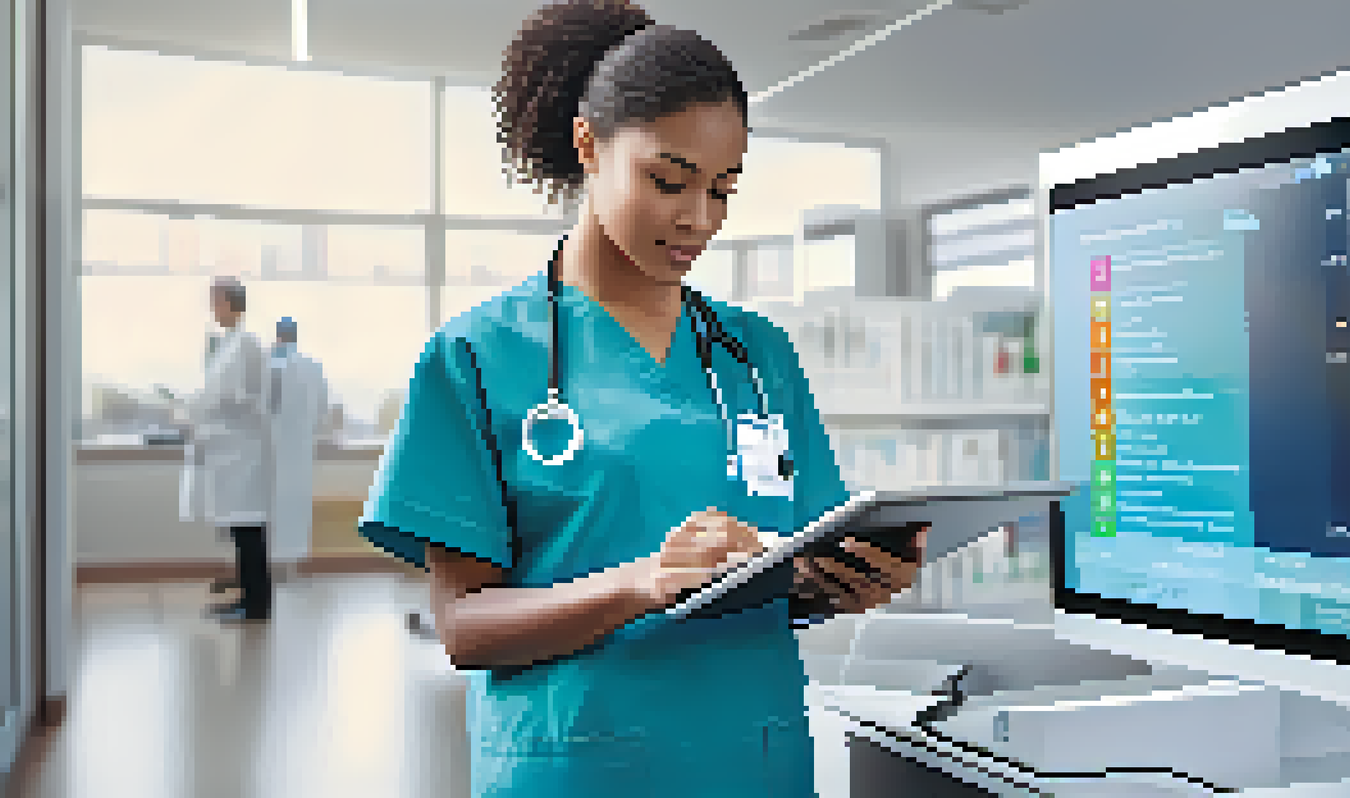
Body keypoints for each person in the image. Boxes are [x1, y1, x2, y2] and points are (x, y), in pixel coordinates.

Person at [359, 3, 928, 796]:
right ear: (588, 147)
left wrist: (848, 580)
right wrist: (643, 582)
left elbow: (792, 566)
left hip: (752, 762)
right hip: (576, 768)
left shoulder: (758, 355)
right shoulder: (477, 357)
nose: (698, 219)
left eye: (723, 190)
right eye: (669, 181)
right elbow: (464, 627)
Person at [179, 276, 275, 623]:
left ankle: (256, 605)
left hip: (242, 452)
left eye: (215, 300)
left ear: (231, 302)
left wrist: (207, 407)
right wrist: (195, 409)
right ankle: (247, 599)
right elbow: (219, 392)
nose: (212, 307)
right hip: (229, 450)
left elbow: (248, 398)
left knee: (248, 531)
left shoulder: (246, 343)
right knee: (240, 530)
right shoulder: (229, 344)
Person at [266, 317, 330, 582]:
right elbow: (323, 409)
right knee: (295, 508)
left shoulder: (268, 364)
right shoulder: (312, 367)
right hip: (300, 449)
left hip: (269, 449)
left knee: (268, 509)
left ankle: (268, 568)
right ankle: (291, 568)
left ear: (278, 336)